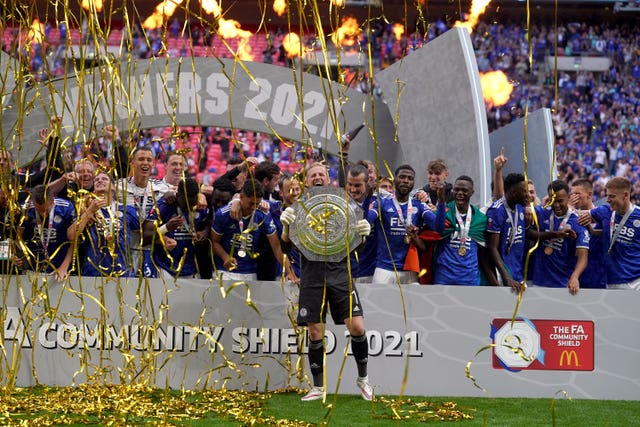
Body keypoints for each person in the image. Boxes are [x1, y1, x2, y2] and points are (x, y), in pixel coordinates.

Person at [279, 161, 374, 401]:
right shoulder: (297, 207)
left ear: (328, 179)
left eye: (322, 174)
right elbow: (285, 246)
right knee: (314, 332)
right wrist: (285, 228)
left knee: (357, 327)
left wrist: (364, 234)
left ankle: (363, 379)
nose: (318, 178)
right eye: (313, 175)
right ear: (306, 181)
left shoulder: (343, 204)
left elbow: (357, 245)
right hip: (311, 277)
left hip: (341, 274)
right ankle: (319, 387)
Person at [368, 164, 445, 284]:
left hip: (409, 269)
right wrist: (368, 196)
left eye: (410, 178)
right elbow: (367, 221)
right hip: (384, 268)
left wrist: (441, 200)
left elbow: (439, 228)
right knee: (378, 302)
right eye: (402, 177)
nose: (405, 181)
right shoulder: (382, 203)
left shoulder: (419, 205)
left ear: (413, 183)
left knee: (412, 303)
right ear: (395, 180)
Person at [211, 179, 286, 281]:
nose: (254, 207)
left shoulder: (263, 215)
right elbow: (214, 241)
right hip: (224, 271)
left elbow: (276, 247)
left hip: (250, 272)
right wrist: (225, 257)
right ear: (241, 197)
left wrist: (289, 273)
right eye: (251, 203)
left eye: (257, 203)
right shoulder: (223, 213)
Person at [68, 171, 140, 277]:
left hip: (122, 273)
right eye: (96, 180)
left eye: (105, 179)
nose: (100, 181)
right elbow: (71, 235)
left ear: (114, 187)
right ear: (94, 188)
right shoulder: (85, 210)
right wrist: (90, 211)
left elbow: (143, 233)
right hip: (93, 273)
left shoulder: (127, 210)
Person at [117, 145, 170, 277]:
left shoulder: (163, 188)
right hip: (125, 251)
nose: (145, 163)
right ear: (132, 163)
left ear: (153, 163)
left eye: (148, 160)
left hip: (151, 251)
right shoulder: (118, 187)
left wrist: (202, 195)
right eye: (141, 159)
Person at [578, 177, 640, 289]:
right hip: (611, 281)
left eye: (612, 196)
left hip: (635, 282)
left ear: (625, 195)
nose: (608, 200)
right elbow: (578, 214)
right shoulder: (605, 211)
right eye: (607, 195)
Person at [529, 180, 589, 295]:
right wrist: (528, 209)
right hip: (538, 283)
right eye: (553, 200)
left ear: (568, 197)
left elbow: (583, 257)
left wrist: (575, 277)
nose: (556, 205)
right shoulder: (541, 213)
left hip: (563, 284)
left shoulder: (577, 222)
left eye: (560, 201)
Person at [432, 176, 491, 286]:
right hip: (444, 279)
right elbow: (438, 229)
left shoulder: (480, 219)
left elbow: (486, 251)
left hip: (470, 280)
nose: (460, 193)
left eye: (464, 190)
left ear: (472, 192)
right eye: (457, 189)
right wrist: (441, 200)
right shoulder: (444, 212)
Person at [145, 178, 210, 278]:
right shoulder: (164, 205)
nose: (188, 208)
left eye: (192, 204)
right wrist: (166, 227)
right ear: (178, 195)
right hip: (165, 267)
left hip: (191, 269)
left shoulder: (200, 206)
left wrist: (204, 233)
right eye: (185, 204)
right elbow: (145, 235)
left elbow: (208, 223)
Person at [17, 184, 76, 280]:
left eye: (45, 210)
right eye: (38, 210)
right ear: (32, 201)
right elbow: (18, 238)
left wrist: (64, 267)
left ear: (52, 201)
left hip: (59, 269)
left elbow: (73, 241)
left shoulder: (66, 208)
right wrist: (18, 256)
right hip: (32, 269)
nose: (42, 214)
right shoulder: (25, 209)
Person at [485, 173, 528, 291]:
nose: (527, 195)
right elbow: (492, 248)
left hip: (517, 273)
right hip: (502, 275)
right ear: (514, 193)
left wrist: (554, 234)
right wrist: (507, 277)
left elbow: (526, 234)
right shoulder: (497, 211)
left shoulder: (520, 208)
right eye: (524, 191)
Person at [570, 179, 607, 288]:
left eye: (578, 194)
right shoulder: (570, 219)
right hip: (575, 277)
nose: (574, 197)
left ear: (589, 194)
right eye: (572, 194)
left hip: (598, 277)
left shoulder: (603, 216)